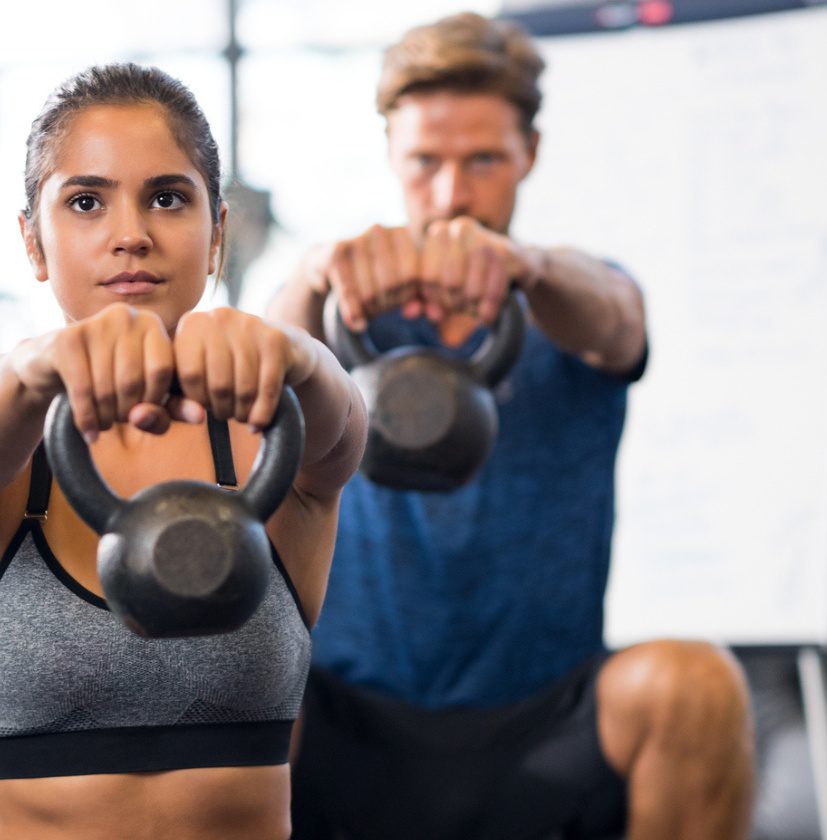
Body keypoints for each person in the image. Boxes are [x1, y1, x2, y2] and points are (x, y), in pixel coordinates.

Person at [266, 13, 754, 839]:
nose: (453, 194)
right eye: (426, 161)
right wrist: (315, 274)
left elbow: (619, 318)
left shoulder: (573, 302)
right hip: (350, 734)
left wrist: (525, 268)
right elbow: (265, 363)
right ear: (391, 153)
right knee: (226, 677)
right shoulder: (334, 317)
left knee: (698, 686)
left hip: (545, 736)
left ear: (530, 152)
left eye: (483, 160)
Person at [0, 63, 368, 838]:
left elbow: (347, 428)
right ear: (32, 241)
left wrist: (296, 353)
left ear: (216, 233)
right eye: (86, 201)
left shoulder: (271, 428)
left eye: (167, 198)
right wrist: (39, 367)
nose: (131, 235)